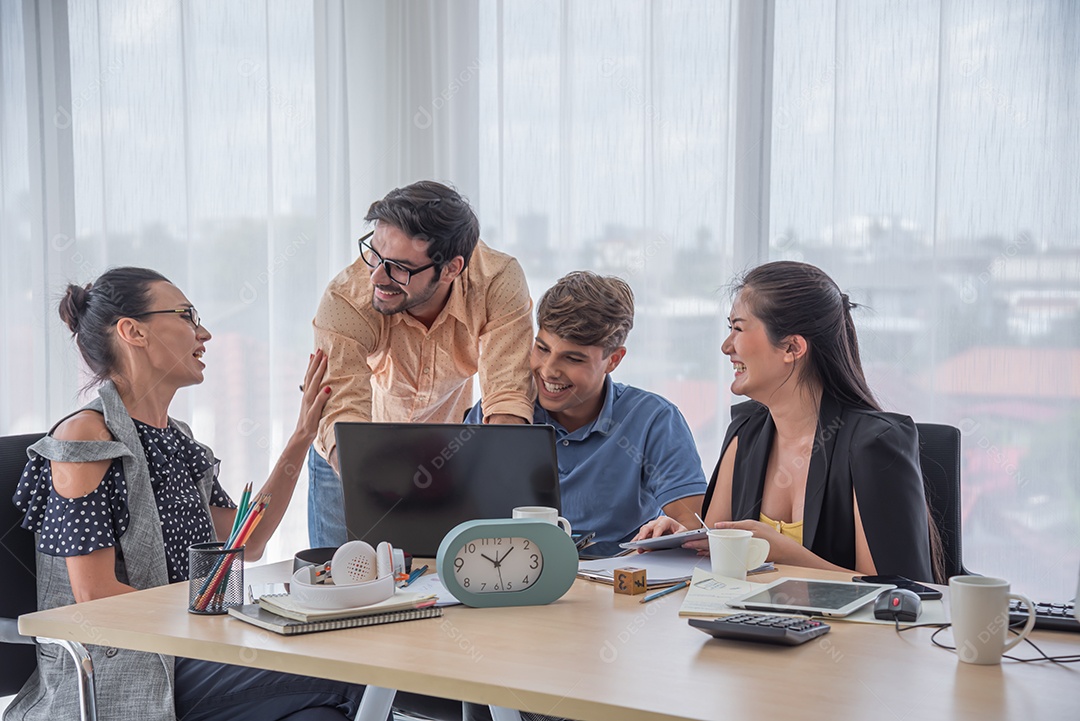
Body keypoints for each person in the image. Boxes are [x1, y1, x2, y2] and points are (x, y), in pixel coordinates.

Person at [7, 267, 449, 721]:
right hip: (129, 670)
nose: (204, 332)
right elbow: (95, 596)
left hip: (193, 653)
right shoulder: (85, 439)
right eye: (185, 315)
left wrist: (302, 435)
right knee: (355, 670)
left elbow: (247, 542)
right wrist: (220, 625)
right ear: (132, 331)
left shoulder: (178, 439)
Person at [634, 261, 938, 583]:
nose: (726, 347)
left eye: (738, 329)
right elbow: (714, 561)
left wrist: (782, 552)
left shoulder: (873, 443)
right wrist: (681, 540)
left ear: (792, 347)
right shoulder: (745, 432)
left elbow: (902, 592)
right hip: (750, 627)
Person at [309, 181, 534, 548]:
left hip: (444, 453)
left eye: (398, 268)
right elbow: (341, 409)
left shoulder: (496, 281)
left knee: (432, 585)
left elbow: (507, 397)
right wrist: (371, 487)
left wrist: (497, 488)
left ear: (451, 269)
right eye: (375, 254)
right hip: (349, 455)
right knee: (343, 583)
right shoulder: (346, 299)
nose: (377, 277)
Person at [465, 271, 706, 556]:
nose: (548, 370)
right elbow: (459, 512)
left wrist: (674, 528)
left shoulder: (654, 419)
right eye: (542, 349)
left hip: (616, 585)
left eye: (572, 358)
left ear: (613, 360)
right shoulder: (502, 412)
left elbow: (694, 526)